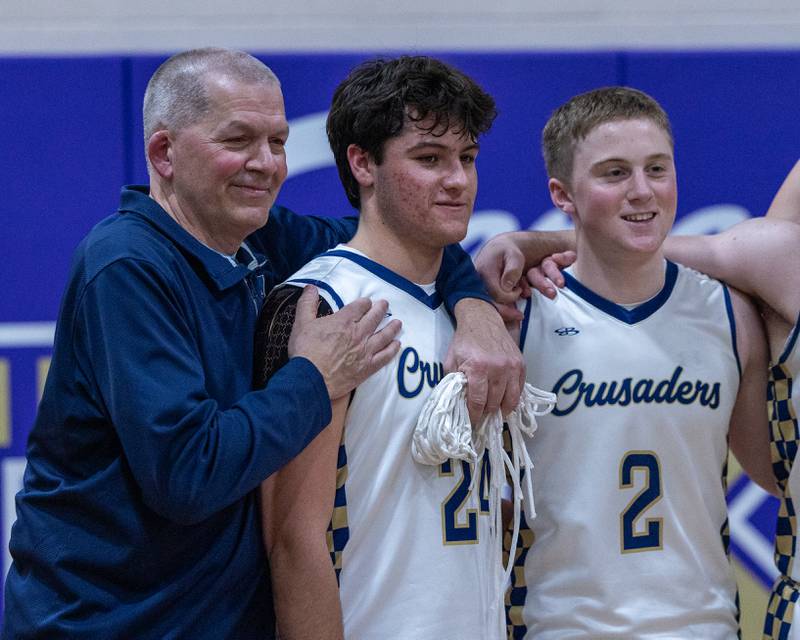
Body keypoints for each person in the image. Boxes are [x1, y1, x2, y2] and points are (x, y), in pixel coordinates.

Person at [2, 48, 523, 639]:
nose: (266, 164)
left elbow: (412, 236)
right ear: (164, 153)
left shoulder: (259, 233)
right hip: (106, 622)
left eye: (277, 142)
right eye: (239, 140)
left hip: (211, 618)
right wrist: (312, 377)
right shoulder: (126, 264)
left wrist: (477, 306)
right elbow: (187, 475)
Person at [477, 86, 774, 638]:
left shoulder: (730, 316)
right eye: (614, 173)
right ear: (562, 195)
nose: (643, 191)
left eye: (657, 168)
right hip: (560, 626)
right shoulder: (518, 319)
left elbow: (776, 475)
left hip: (703, 626)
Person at [260, 55, 503, 640]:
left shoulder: (469, 311)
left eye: (466, 158)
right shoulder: (323, 300)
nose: (458, 180)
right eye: (429, 159)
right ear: (362, 163)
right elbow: (293, 539)